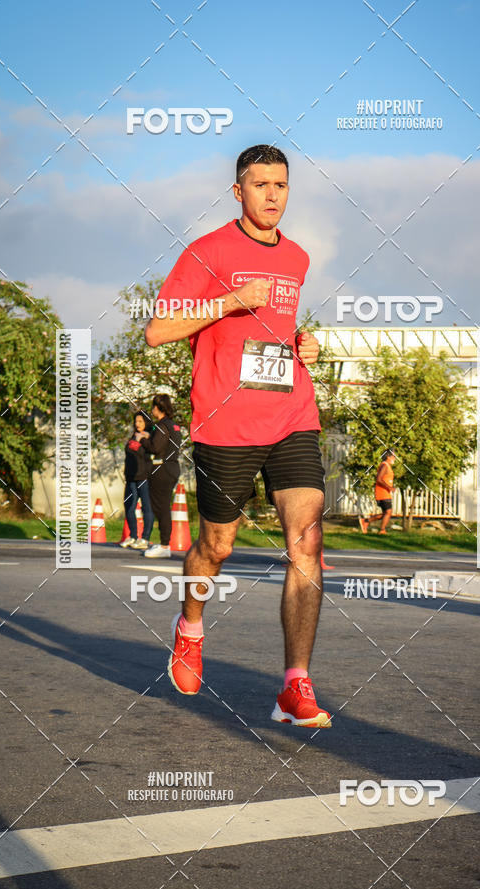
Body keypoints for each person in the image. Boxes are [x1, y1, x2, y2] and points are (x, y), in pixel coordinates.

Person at [145, 144, 331, 728]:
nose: (272, 195)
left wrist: (303, 344)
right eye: (260, 185)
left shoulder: (298, 258)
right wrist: (227, 301)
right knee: (216, 547)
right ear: (238, 192)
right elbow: (157, 331)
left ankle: (294, 685)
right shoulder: (208, 252)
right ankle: (190, 626)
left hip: (292, 413)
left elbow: (273, 330)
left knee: (306, 540)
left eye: (281, 185)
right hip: (227, 423)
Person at [139, 394, 181, 558]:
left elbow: (156, 447)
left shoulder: (161, 426)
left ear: (158, 408)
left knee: (161, 508)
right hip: (172, 467)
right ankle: (164, 543)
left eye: (153, 407)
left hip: (161, 469)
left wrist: (143, 439)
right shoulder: (174, 426)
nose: (152, 410)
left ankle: (164, 545)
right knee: (163, 506)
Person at [120, 410, 154, 550]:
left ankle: (145, 538)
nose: (137, 424)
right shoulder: (133, 436)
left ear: (146, 422)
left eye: (140, 421)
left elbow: (150, 452)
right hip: (130, 477)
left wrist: (144, 439)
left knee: (146, 507)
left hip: (143, 477)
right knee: (129, 506)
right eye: (136, 421)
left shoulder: (148, 437)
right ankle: (133, 536)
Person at [359, 450, 396, 534]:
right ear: (388, 457)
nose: (395, 458)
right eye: (393, 456)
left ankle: (365, 521)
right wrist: (389, 487)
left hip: (385, 492)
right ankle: (382, 530)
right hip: (382, 492)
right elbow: (379, 479)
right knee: (388, 512)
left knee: (385, 513)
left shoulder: (387, 466)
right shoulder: (385, 465)